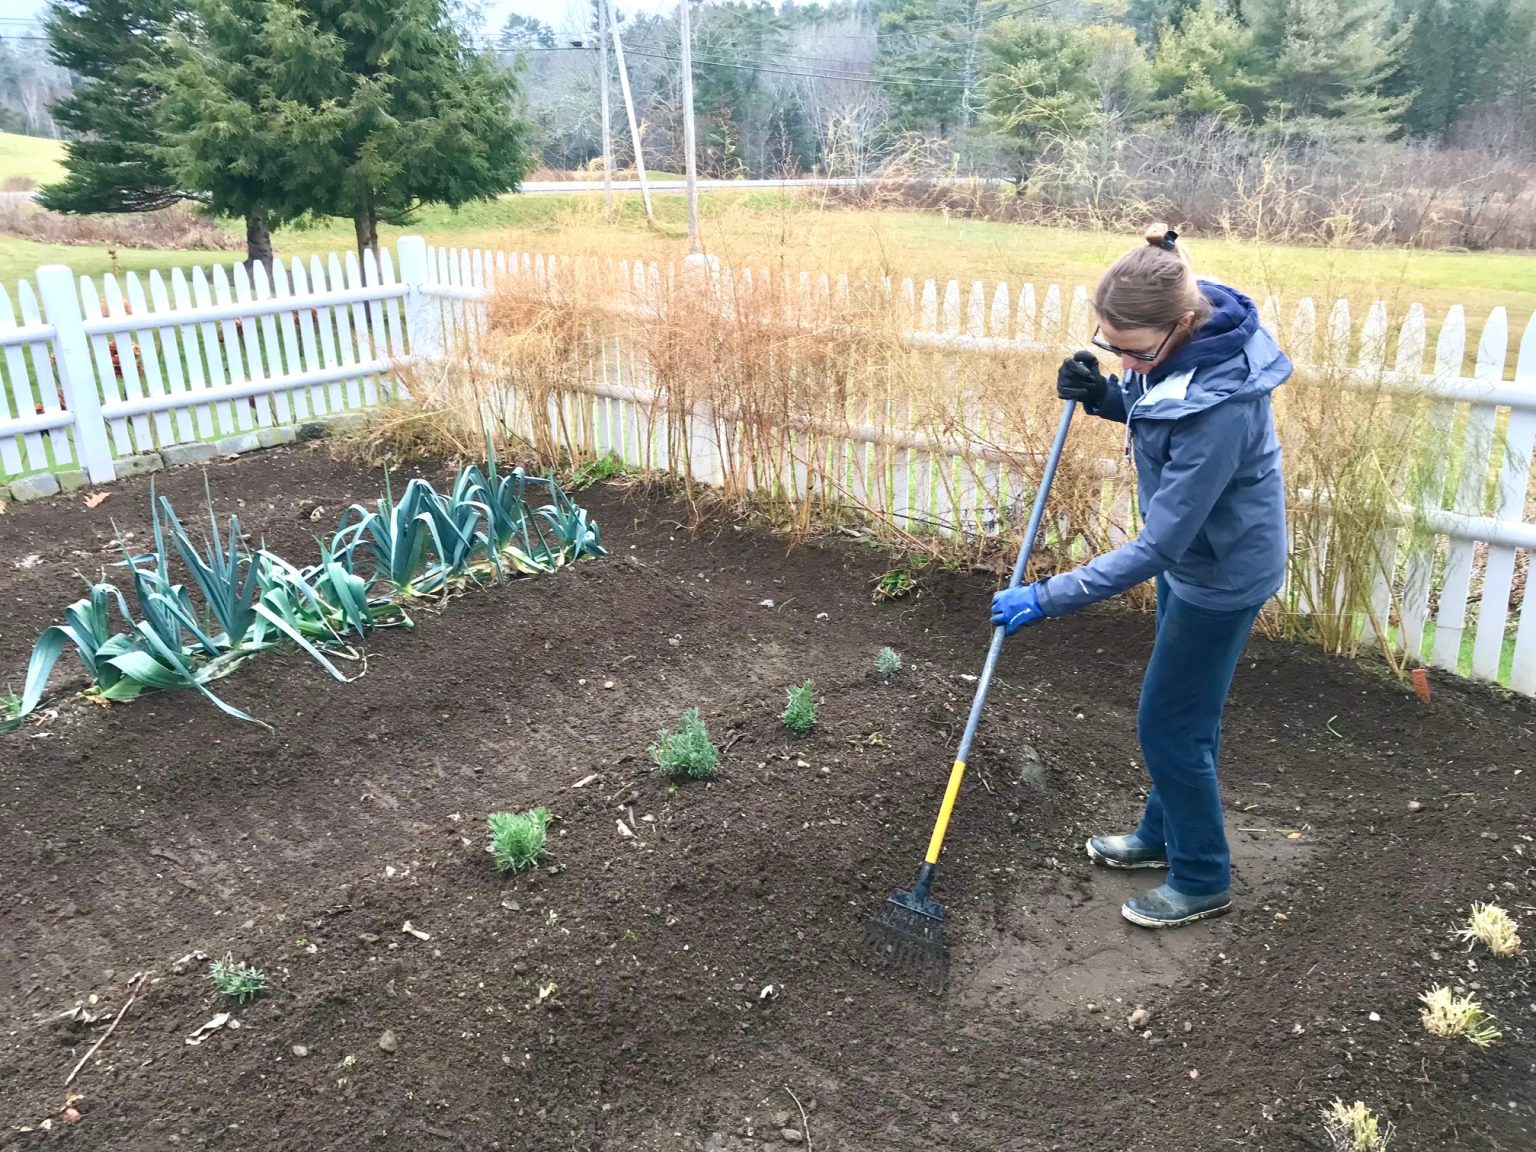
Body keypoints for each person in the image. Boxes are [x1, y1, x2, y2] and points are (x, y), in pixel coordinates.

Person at [990, 224, 1290, 929]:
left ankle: (1202, 876)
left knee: (1169, 725)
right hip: (1194, 562)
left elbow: (1159, 542)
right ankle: (1162, 834)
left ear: (1181, 325)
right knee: (1187, 717)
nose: (1124, 361)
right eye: (1109, 346)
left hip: (1219, 576)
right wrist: (1104, 395)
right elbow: (1157, 407)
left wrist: (1048, 596)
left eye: (1133, 352)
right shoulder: (1181, 349)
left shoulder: (1225, 405)